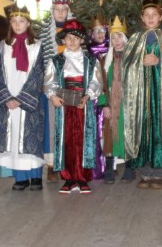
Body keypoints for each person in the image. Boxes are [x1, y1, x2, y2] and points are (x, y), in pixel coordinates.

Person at [122, 0, 162, 189]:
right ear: (142, 18)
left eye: (154, 14)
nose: (150, 18)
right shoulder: (135, 39)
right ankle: (145, 172)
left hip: (161, 94)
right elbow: (127, 65)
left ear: (161, 17)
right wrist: (140, 62)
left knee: (159, 128)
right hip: (140, 95)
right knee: (142, 128)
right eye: (146, 14)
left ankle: (159, 173)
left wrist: (160, 61)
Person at [44, 18, 102, 194]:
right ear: (63, 40)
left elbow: (96, 81)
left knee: (83, 140)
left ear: (82, 40)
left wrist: (88, 96)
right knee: (66, 140)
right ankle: (69, 178)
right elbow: (49, 81)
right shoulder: (56, 60)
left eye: (76, 38)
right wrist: (53, 96)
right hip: (63, 105)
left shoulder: (91, 61)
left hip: (83, 105)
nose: (72, 41)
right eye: (69, 38)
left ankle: (82, 177)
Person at [0, 6, 47, 191]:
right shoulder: (3, 46)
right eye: (14, 22)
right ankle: (20, 177)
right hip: (9, 96)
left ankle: (36, 177)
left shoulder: (37, 46)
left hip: (28, 98)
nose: (18, 25)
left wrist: (22, 99)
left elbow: (38, 74)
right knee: (13, 136)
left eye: (21, 21)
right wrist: (7, 97)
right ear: (10, 24)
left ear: (28, 23)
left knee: (30, 137)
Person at [39, 0, 73, 182]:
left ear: (68, 11)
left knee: (69, 123)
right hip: (52, 83)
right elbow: (42, 57)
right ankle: (52, 164)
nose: (60, 13)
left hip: (70, 83)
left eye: (63, 10)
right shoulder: (46, 32)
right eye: (57, 10)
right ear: (52, 11)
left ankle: (68, 161)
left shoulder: (75, 31)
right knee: (52, 125)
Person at [101, 16, 129, 184]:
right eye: (113, 37)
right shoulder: (106, 60)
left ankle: (130, 167)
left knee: (128, 134)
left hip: (128, 103)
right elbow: (101, 83)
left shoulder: (132, 57)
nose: (116, 40)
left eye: (119, 36)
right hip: (112, 102)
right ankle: (109, 167)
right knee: (110, 134)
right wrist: (105, 104)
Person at [87, 14, 109, 180]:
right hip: (94, 96)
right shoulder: (88, 52)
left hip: (110, 94)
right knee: (96, 130)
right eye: (96, 32)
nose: (100, 34)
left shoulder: (113, 48)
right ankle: (96, 165)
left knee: (109, 129)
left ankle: (111, 164)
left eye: (103, 31)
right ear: (92, 35)